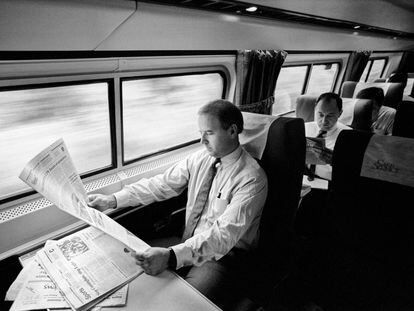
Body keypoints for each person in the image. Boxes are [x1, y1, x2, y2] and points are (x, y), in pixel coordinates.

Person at [88, 99, 268, 308]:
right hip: (187, 239)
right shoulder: (200, 159)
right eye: (201, 132)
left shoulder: (251, 178)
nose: (202, 140)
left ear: (232, 131)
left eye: (209, 133)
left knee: (181, 305)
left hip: (224, 256)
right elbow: (161, 184)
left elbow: (223, 236)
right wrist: (112, 200)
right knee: (131, 273)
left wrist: (171, 256)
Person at [304, 92, 351, 181]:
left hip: (329, 182)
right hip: (303, 177)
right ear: (315, 110)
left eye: (330, 116)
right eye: (320, 114)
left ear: (340, 113)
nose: (324, 121)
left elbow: (350, 169)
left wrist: (333, 160)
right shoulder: (303, 128)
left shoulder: (348, 135)